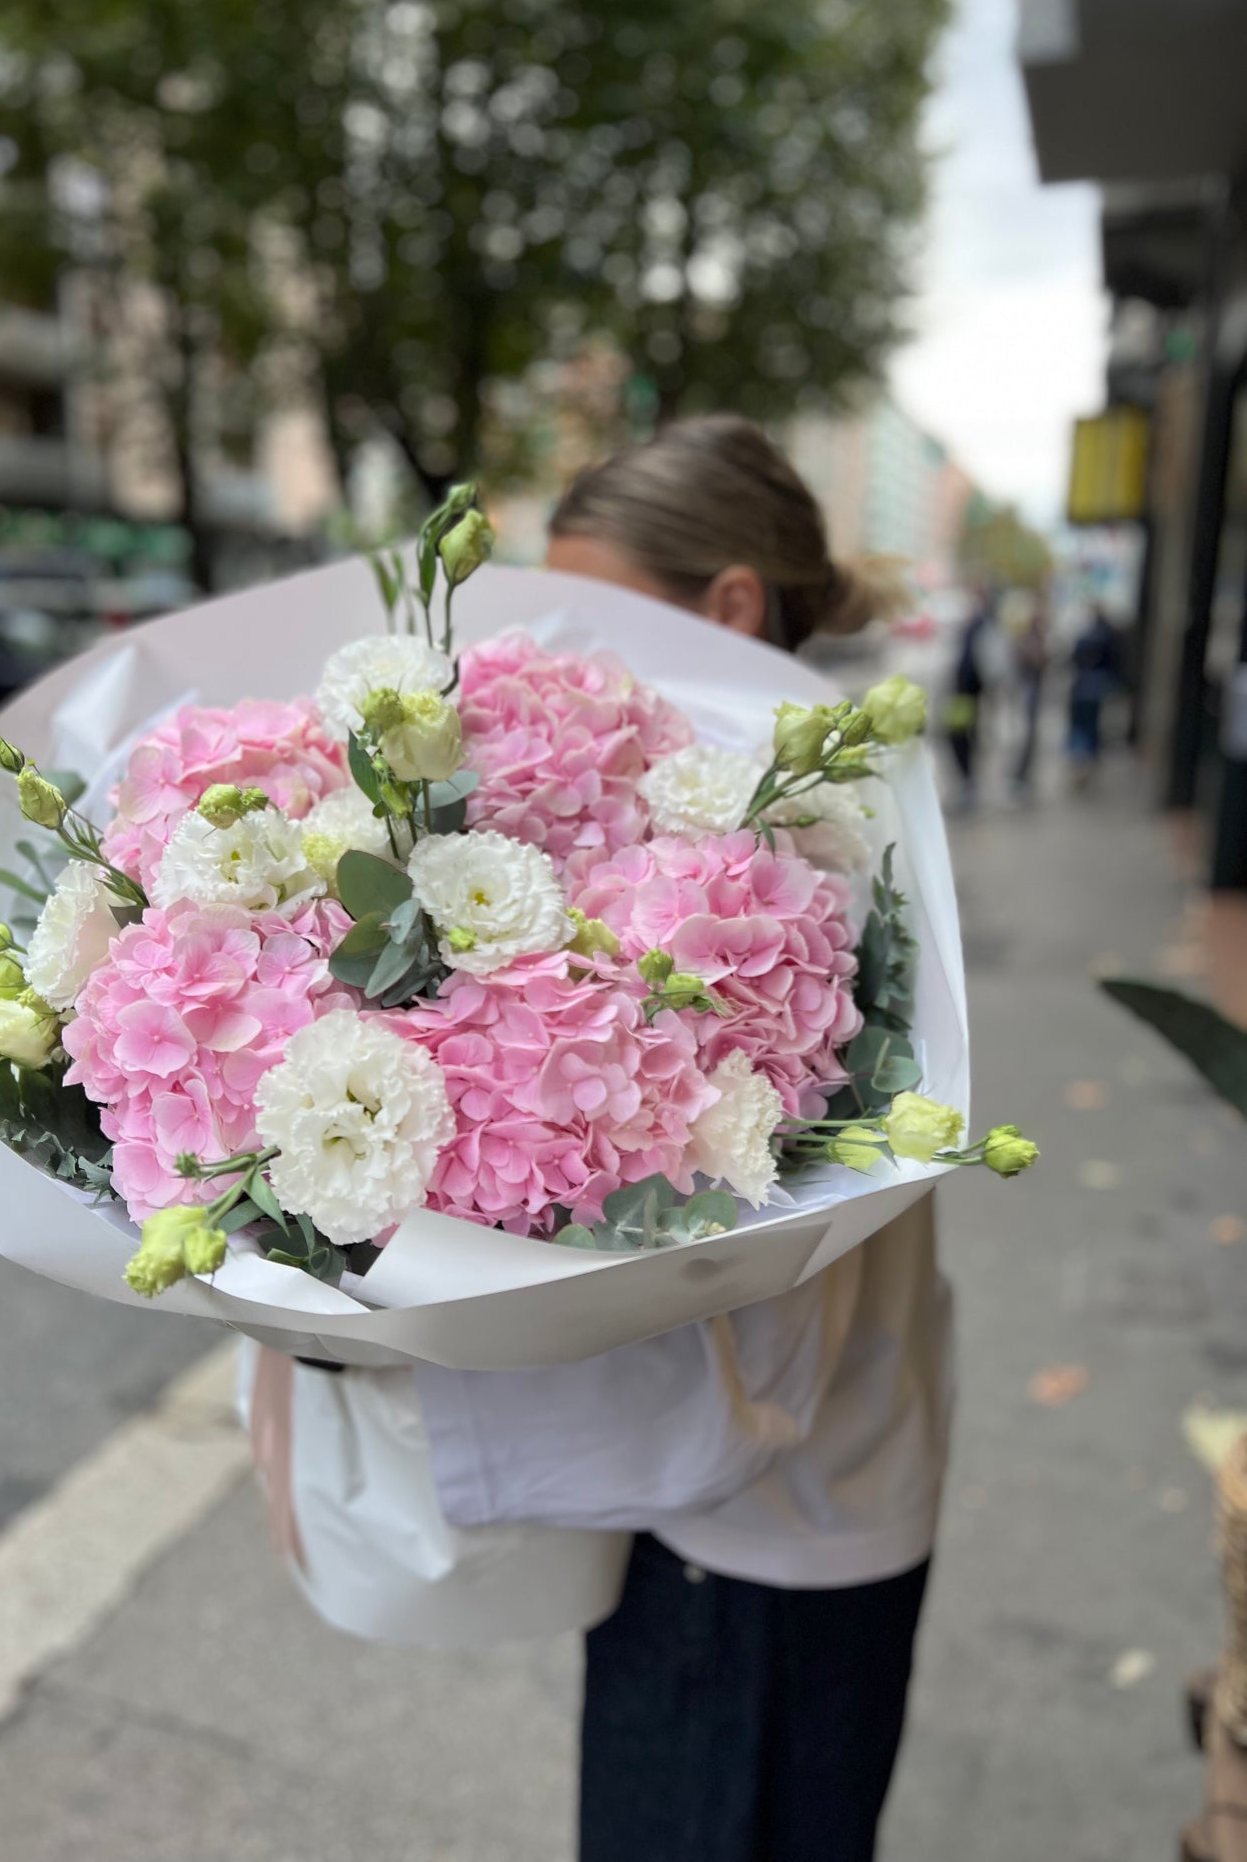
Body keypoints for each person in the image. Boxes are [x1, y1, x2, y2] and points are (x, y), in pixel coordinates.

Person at [415, 415, 952, 1862]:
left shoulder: (801, 846)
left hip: (762, 1517)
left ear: (727, 604)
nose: (562, 659)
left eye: (588, 612)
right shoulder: (800, 813)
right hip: (773, 1478)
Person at [943, 586, 1002, 808]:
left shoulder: (983, 624)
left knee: (960, 736)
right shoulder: (977, 623)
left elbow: (988, 663)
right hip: (964, 693)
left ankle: (968, 786)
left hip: (968, 695)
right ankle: (966, 784)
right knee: (960, 736)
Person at [1066, 602, 1122, 787]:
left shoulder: (1086, 635)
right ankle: (1086, 759)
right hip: (1096, 687)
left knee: (1080, 726)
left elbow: (1073, 658)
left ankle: (1080, 760)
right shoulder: (1108, 635)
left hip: (1082, 687)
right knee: (1090, 726)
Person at [1010, 597, 1051, 796]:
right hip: (1025, 695)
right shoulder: (1027, 638)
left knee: (1028, 739)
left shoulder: (1038, 637)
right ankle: (1018, 778)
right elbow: (1032, 660)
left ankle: (1022, 777)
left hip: (1031, 695)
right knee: (1022, 739)